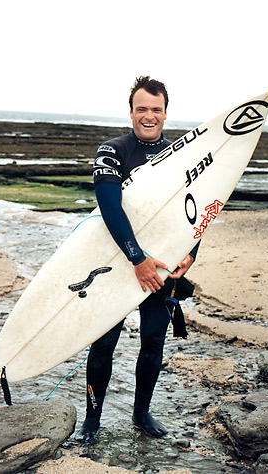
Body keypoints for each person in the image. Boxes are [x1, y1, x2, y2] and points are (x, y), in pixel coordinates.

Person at [74, 76, 199, 443]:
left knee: (153, 342)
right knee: (103, 345)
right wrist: (136, 258)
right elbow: (110, 208)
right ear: (131, 111)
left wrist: (190, 254)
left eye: (155, 110)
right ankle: (92, 420)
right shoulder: (111, 151)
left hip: (162, 266)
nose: (149, 116)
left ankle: (141, 414)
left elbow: (197, 209)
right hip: (117, 262)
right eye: (141, 108)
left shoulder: (180, 156)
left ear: (165, 113)